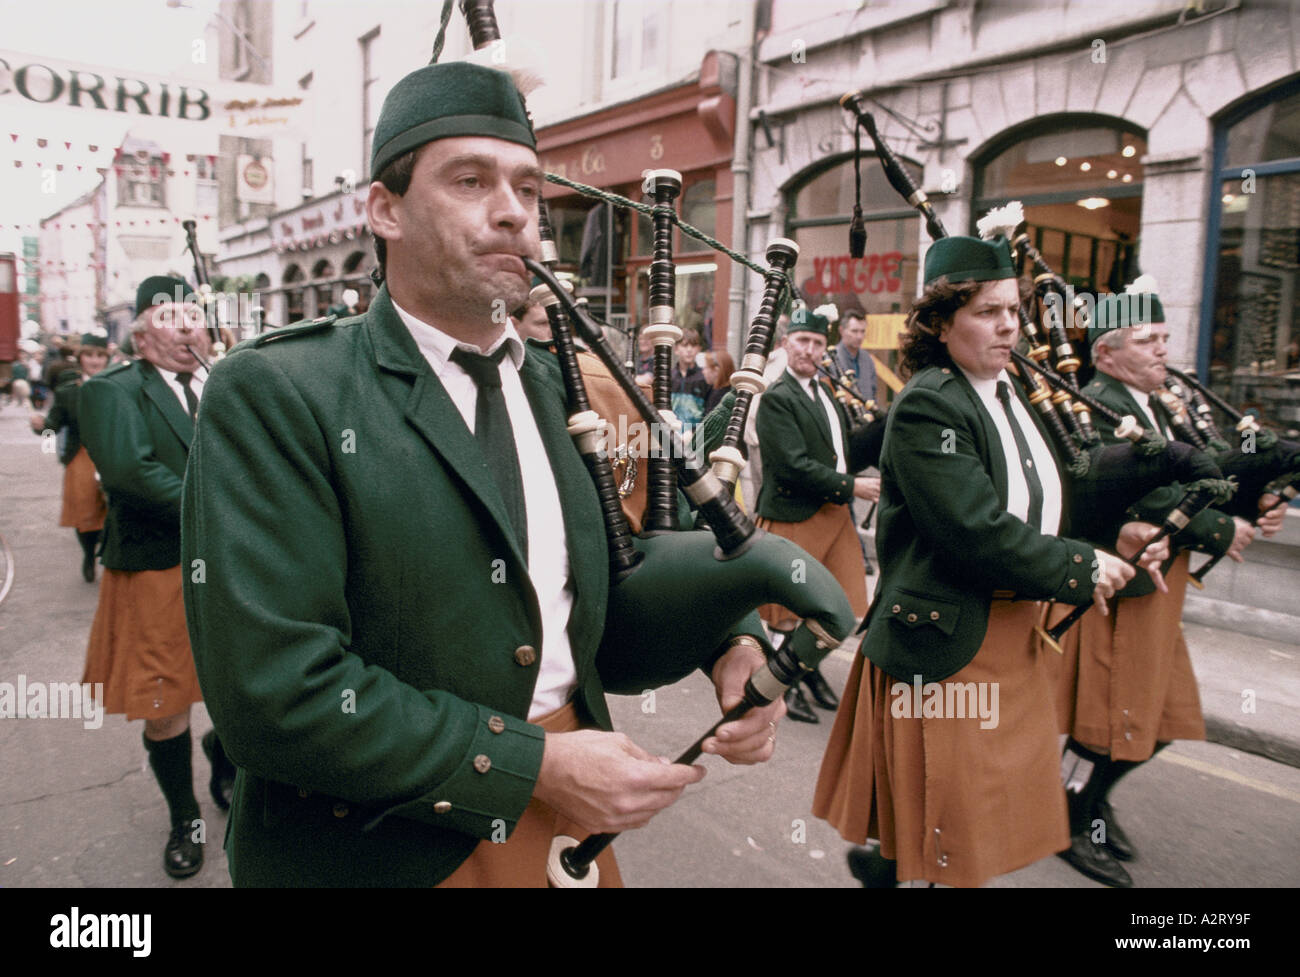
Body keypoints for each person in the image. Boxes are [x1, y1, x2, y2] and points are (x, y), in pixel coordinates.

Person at [181, 60, 783, 888]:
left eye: (529, 189)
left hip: (570, 819)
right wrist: (533, 764)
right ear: (384, 209)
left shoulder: (558, 387)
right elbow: (272, 694)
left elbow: (614, 579)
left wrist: (731, 643)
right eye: (470, 180)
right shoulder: (281, 392)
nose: (513, 213)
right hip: (382, 843)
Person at [812, 236, 1159, 888]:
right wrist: (1082, 565)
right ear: (942, 323)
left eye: (1014, 310)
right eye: (987, 311)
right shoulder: (929, 403)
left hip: (1011, 631)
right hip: (951, 642)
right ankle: (896, 866)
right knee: (959, 835)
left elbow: (1059, 492)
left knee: (975, 818)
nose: (1009, 325)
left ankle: (887, 868)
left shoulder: (1012, 390)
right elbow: (975, 531)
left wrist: (1127, 533)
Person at [1050, 282, 1286, 887]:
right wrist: (1216, 527)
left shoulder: (1165, 402)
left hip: (1161, 587)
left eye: (1163, 339)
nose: (1162, 350)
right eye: (1147, 340)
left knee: (1162, 720)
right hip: (1120, 587)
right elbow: (1147, 495)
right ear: (1105, 353)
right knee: (1102, 722)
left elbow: (1215, 464)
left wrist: (1260, 499)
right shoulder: (1096, 406)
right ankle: (1073, 817)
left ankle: (1089, 800)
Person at [78, 278, 235, 880]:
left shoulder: (227, 380)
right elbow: (128, 473)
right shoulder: (111, 391)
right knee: (164, 700)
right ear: (141, 337)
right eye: (170, 316)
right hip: (157, 566)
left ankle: (223, 754)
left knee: (236, 680)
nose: (187, 326)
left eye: (194, 314)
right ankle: (184, 820)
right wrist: (225, 507)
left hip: (231, 565)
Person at [753, 304, 879, 723]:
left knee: (837, 604)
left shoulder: (826, 393)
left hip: (832, 514)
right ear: (786, 343)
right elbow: (792, 465)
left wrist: (886, 426)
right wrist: (852, 486)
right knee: (787, 615)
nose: (810, 350)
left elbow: (842, 452)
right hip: (796, 512)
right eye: (802, 341)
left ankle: (805, 672)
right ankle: (781, 687)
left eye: (818, 344)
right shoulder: (777, 397)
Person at [30, 333, 111, 581]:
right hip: (81, 455)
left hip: (113, 453)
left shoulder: (120, 385)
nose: (95, 361)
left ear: (107, 358)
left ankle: (108, 554)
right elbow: (52, 426)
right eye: (89, 355)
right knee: (84, 510)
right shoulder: (68, 392)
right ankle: (88, 554)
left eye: (100, 356)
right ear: (80, 358)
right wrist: (39, 426)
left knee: (115, 510)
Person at [833, 307, 877, 404]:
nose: (859, 336)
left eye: (862, 331)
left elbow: (873, 393)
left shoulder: (867, 359)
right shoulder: (832, 358)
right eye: (854, 331)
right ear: (841, 330)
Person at [701, 348, 735, 416]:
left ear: (716, 371)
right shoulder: (713, 390)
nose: (703, 372)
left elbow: (707, 425)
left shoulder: (721, 398)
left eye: (706, 368)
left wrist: (684, 427)